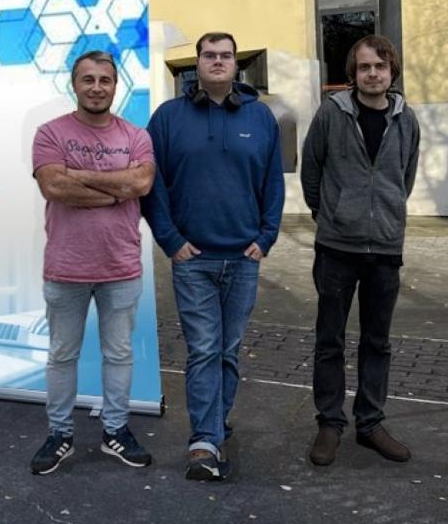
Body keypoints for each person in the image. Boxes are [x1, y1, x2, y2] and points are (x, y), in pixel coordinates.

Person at [142, 31, 284, 481]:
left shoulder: (260, 117)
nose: (217, 61)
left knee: (228, 351)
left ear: (236, 64)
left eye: (225, 55)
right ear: (197, 64)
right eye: (209, 55)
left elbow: (273, 182)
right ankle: (204, 442)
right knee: (204, 349)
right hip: (193, 260)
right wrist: (170, 240)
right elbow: (153, 184)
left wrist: (267, 236)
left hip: (243, 258)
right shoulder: (168, 118)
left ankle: (214, 424)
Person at [29, 51, 156, 475]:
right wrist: (116, 191)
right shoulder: (51, 133)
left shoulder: (136, 135)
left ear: (116, 85)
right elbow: (54, 186)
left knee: (118, 354)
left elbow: (142, 182)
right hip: (66, 267)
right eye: (88, 79)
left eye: (105, 80)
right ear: (74, 84)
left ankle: (115, 430)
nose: (97, 87)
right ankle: (60, 434)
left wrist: (79, 175)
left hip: (120, 266)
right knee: (62, 355)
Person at [301, 34, 420, 466]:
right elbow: (311, 167)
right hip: (336, 247)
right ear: (353, 72)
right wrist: (328, 213)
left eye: (380, 67)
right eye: (365, 67)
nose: (373, 74)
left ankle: (370, 423)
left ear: (392, 72)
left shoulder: (406, 119)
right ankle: (330, 424)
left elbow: (405, 176)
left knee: (377, 342)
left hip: (385, 248)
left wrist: (386, 216)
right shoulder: (332, 113)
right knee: (329, 340)